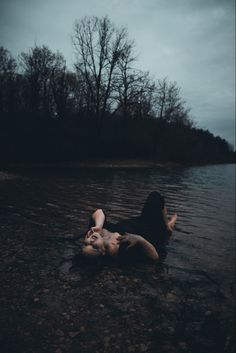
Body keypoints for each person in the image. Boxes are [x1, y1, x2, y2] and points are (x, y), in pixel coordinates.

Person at [82, 191, 177, 263]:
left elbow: (99, 212)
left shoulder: (95, 232)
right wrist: (140, 240)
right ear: (103, 252)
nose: (90, 241)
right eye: (94, 247)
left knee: (155, 197)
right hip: (151, 230)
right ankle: (167, 227)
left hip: (138, 221)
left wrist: (98, 225)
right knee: (156, 197)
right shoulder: (118, 250)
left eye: (86, 244)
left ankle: (167, 226)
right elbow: (155, 257)